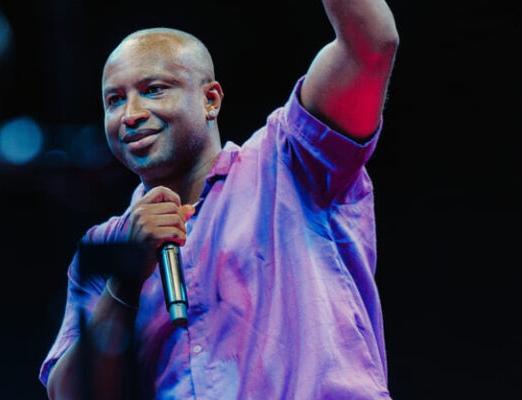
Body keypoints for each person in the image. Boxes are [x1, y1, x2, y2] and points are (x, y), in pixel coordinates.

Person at [41, 0, 399, 398]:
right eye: (115, 100)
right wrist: (123, 283)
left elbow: (371, 45)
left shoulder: (288, 160)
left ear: (210, 99)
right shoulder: (105, 246)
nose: (131, 114)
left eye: (153, 90)